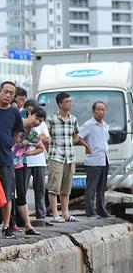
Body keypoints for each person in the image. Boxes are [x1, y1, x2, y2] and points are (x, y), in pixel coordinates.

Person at [0, 81, 26, 236]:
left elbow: (17, 134)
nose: (8, 95)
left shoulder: (14, 112)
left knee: (7, 193)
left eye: (11, 93)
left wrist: (9, 142)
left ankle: (6, 225)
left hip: (6, 157)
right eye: (6, 91)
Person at [46, 92, 89, 223]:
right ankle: (55, 214)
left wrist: (69, 142)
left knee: (66, 187)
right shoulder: (51, 119)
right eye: (67, 101)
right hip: (56, 156)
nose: (70, 103)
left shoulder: (73, 119)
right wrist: (53, 143)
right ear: (60, 104)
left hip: (70, 156)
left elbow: (76, 136)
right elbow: (44, 136)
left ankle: (65, 214)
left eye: (70, 101)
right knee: (54, 187)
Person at [9, 105, 45, 237]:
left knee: (20, 195)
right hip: (5, 163)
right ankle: (3, 225)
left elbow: (41, 148)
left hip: (18, 165)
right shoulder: (17, 124)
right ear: (30, 114)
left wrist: (27, 153)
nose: (37, 122)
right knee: (6, 195)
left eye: (40, 121)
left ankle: (28, 226)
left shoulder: (33, 133)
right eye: (36, 118)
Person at [79, 101, 111, 218]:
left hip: (104, 159)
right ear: (93, 111)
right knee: (91, 188)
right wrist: (86, 146)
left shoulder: (105, 125)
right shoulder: (89, 125)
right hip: (93, 160)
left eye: (103, 110)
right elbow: (78, 136)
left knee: (102, 188)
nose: (101, 112)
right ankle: (90, 212)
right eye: (98, 110)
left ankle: (102, 210)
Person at [21, 100, 50, 220]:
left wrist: (29, 151)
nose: (37, 122)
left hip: (39, 161)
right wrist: (39, 137)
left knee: (40, 190)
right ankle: (21, 218)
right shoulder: (21, 123)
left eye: (40, 120)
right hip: (23, 163)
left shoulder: (38, 126)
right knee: (22, 190)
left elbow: (47, 140)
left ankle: (41, 216)